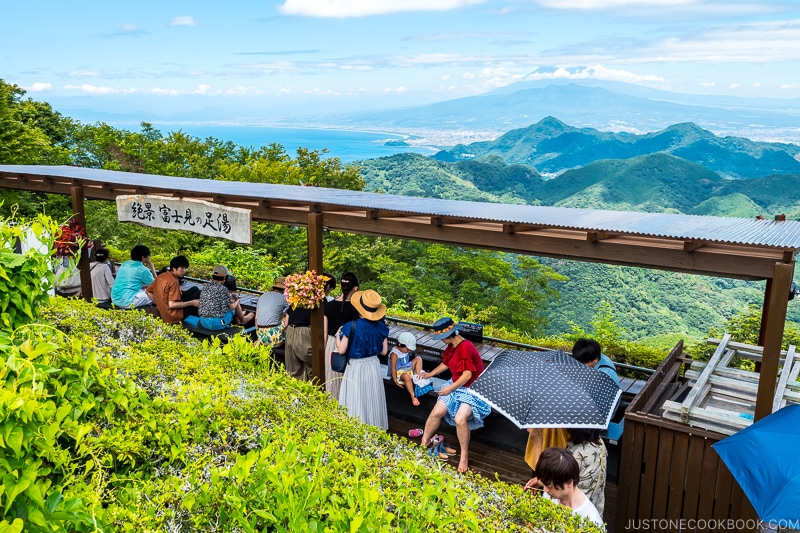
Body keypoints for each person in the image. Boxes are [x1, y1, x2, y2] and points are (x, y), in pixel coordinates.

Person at [419, 317, 491, 473]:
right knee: (437, 412)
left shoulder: (465, 347)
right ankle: (424, 443)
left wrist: (450, 389)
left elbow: (467, 375)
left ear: (448, 335)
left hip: (472, 388)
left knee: (460, 419)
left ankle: (464, 455)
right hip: (455, 383)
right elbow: (446, 363)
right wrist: (430, 373)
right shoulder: (452, 345)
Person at [336, 289, 389, 429]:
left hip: (356, 366)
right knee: (372, 397)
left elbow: (341, 350)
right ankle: (374, 427)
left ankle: (356, 427)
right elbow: (384, 352)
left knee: (356, 397)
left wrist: (337, 336)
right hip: (373, 364)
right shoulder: (382, 328)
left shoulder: (350, 326)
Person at [534, 447, 604, 528]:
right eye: (544, 485)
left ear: (569, 482)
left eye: (550, 487)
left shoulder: (590, 520)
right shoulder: (552, 494)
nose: (545, 490)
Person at [323, 272, 360, 399]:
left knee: (331, 378)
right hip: (351, 345)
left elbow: (324, 331)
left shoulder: (329, 306)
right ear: (355, 288)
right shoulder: (357, 309)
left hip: (332, 343)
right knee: (348, 380)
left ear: (340, 285)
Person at [191, 265, 254, 331]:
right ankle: (243, 320)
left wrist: (228, 296)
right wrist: (238, 299)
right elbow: (232, 307)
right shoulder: (223, 289)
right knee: (234, 305)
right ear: (225, 277)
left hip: (203, 321)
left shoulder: (206, 286)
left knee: (228, 306)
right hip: (216, 324)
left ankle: (239, 318)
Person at [146, 256, 200, 324]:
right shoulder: (174, 281)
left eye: (185, 268)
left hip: (165, 310)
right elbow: (172, 305)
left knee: (194, 289)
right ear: (174, 268)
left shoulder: (161, 275)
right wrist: (192, 302)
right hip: (173, 316)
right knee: (200, 293)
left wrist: (159, 305)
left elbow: (148, 291)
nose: (184, 270)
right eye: (182, 268)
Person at [566, 428, 607, 515]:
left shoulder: (575, 455)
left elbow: (558, 485)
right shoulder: (600, 443)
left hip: (576, 513)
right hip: (594, 508)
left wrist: (537, 445)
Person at [389, 331, 423, 406]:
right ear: (400, 345)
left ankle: (417, 377)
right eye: (408, 349)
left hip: (406, 368)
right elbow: (393, 367)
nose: (409, 351)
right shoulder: (395, 354)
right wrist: (395, 380)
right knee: (406, 377)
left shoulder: (403, 350)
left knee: (418, 358)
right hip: (398, 372)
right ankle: (413, 396)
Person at [255, 276, 289, 347]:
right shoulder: (285, 298)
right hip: (273, 338)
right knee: (287, 317)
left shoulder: (262, 296)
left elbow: (256, 318)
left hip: (260, 335)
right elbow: (288, 318)